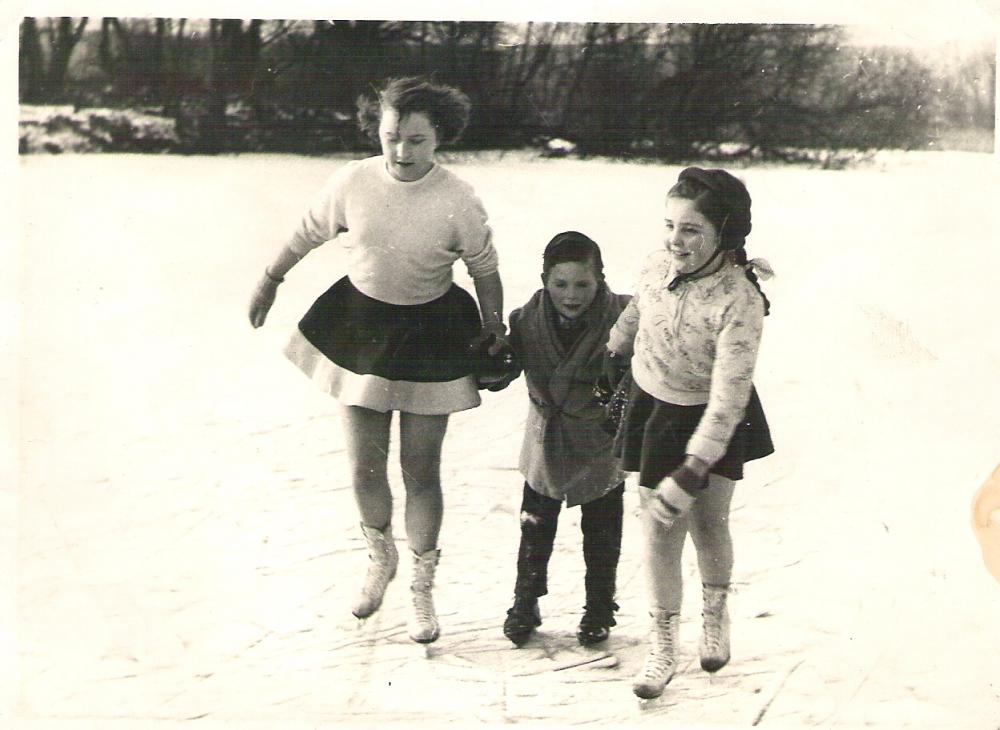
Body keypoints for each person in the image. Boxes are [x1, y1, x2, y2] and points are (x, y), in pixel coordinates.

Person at [247, 76, 506, 644]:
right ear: (378, 131)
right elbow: (307, 232)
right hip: (360, 329)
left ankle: (420, 587)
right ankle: (380, 557)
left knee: (421, 472)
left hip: (432, 333)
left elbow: (484, 267)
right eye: (392, 137)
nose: (401, 152)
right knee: (364, 467)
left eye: (416, 140)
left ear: (440, 137)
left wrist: (493, 327)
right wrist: (270, 279)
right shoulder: (353, 181)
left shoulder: (458, 198)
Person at [603, 167, 774, 699]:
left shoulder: (739, 300)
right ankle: (662, 644)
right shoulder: (656, 265)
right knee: (657, 532)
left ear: (723, 234)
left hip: (715, 417)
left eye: (692, 230)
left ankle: (715, 614)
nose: (675, 241)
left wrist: (695, 465)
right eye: (670, 225)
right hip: (658, 407)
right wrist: (616, 346)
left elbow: (729, 396)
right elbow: (638, 308)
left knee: (708, 523)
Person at [501, 231, 632, 647]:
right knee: (535, 525)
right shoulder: (525, 320)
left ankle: (599, 607)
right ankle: (526, 601)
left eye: (582, 284)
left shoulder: (626, 317)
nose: (571, 295)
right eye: (560, 284)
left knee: (602, 530)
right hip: (546, 438)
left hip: (599, 440)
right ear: (544, 280)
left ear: (600, 280)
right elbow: (500, 371)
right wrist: (488, 360)